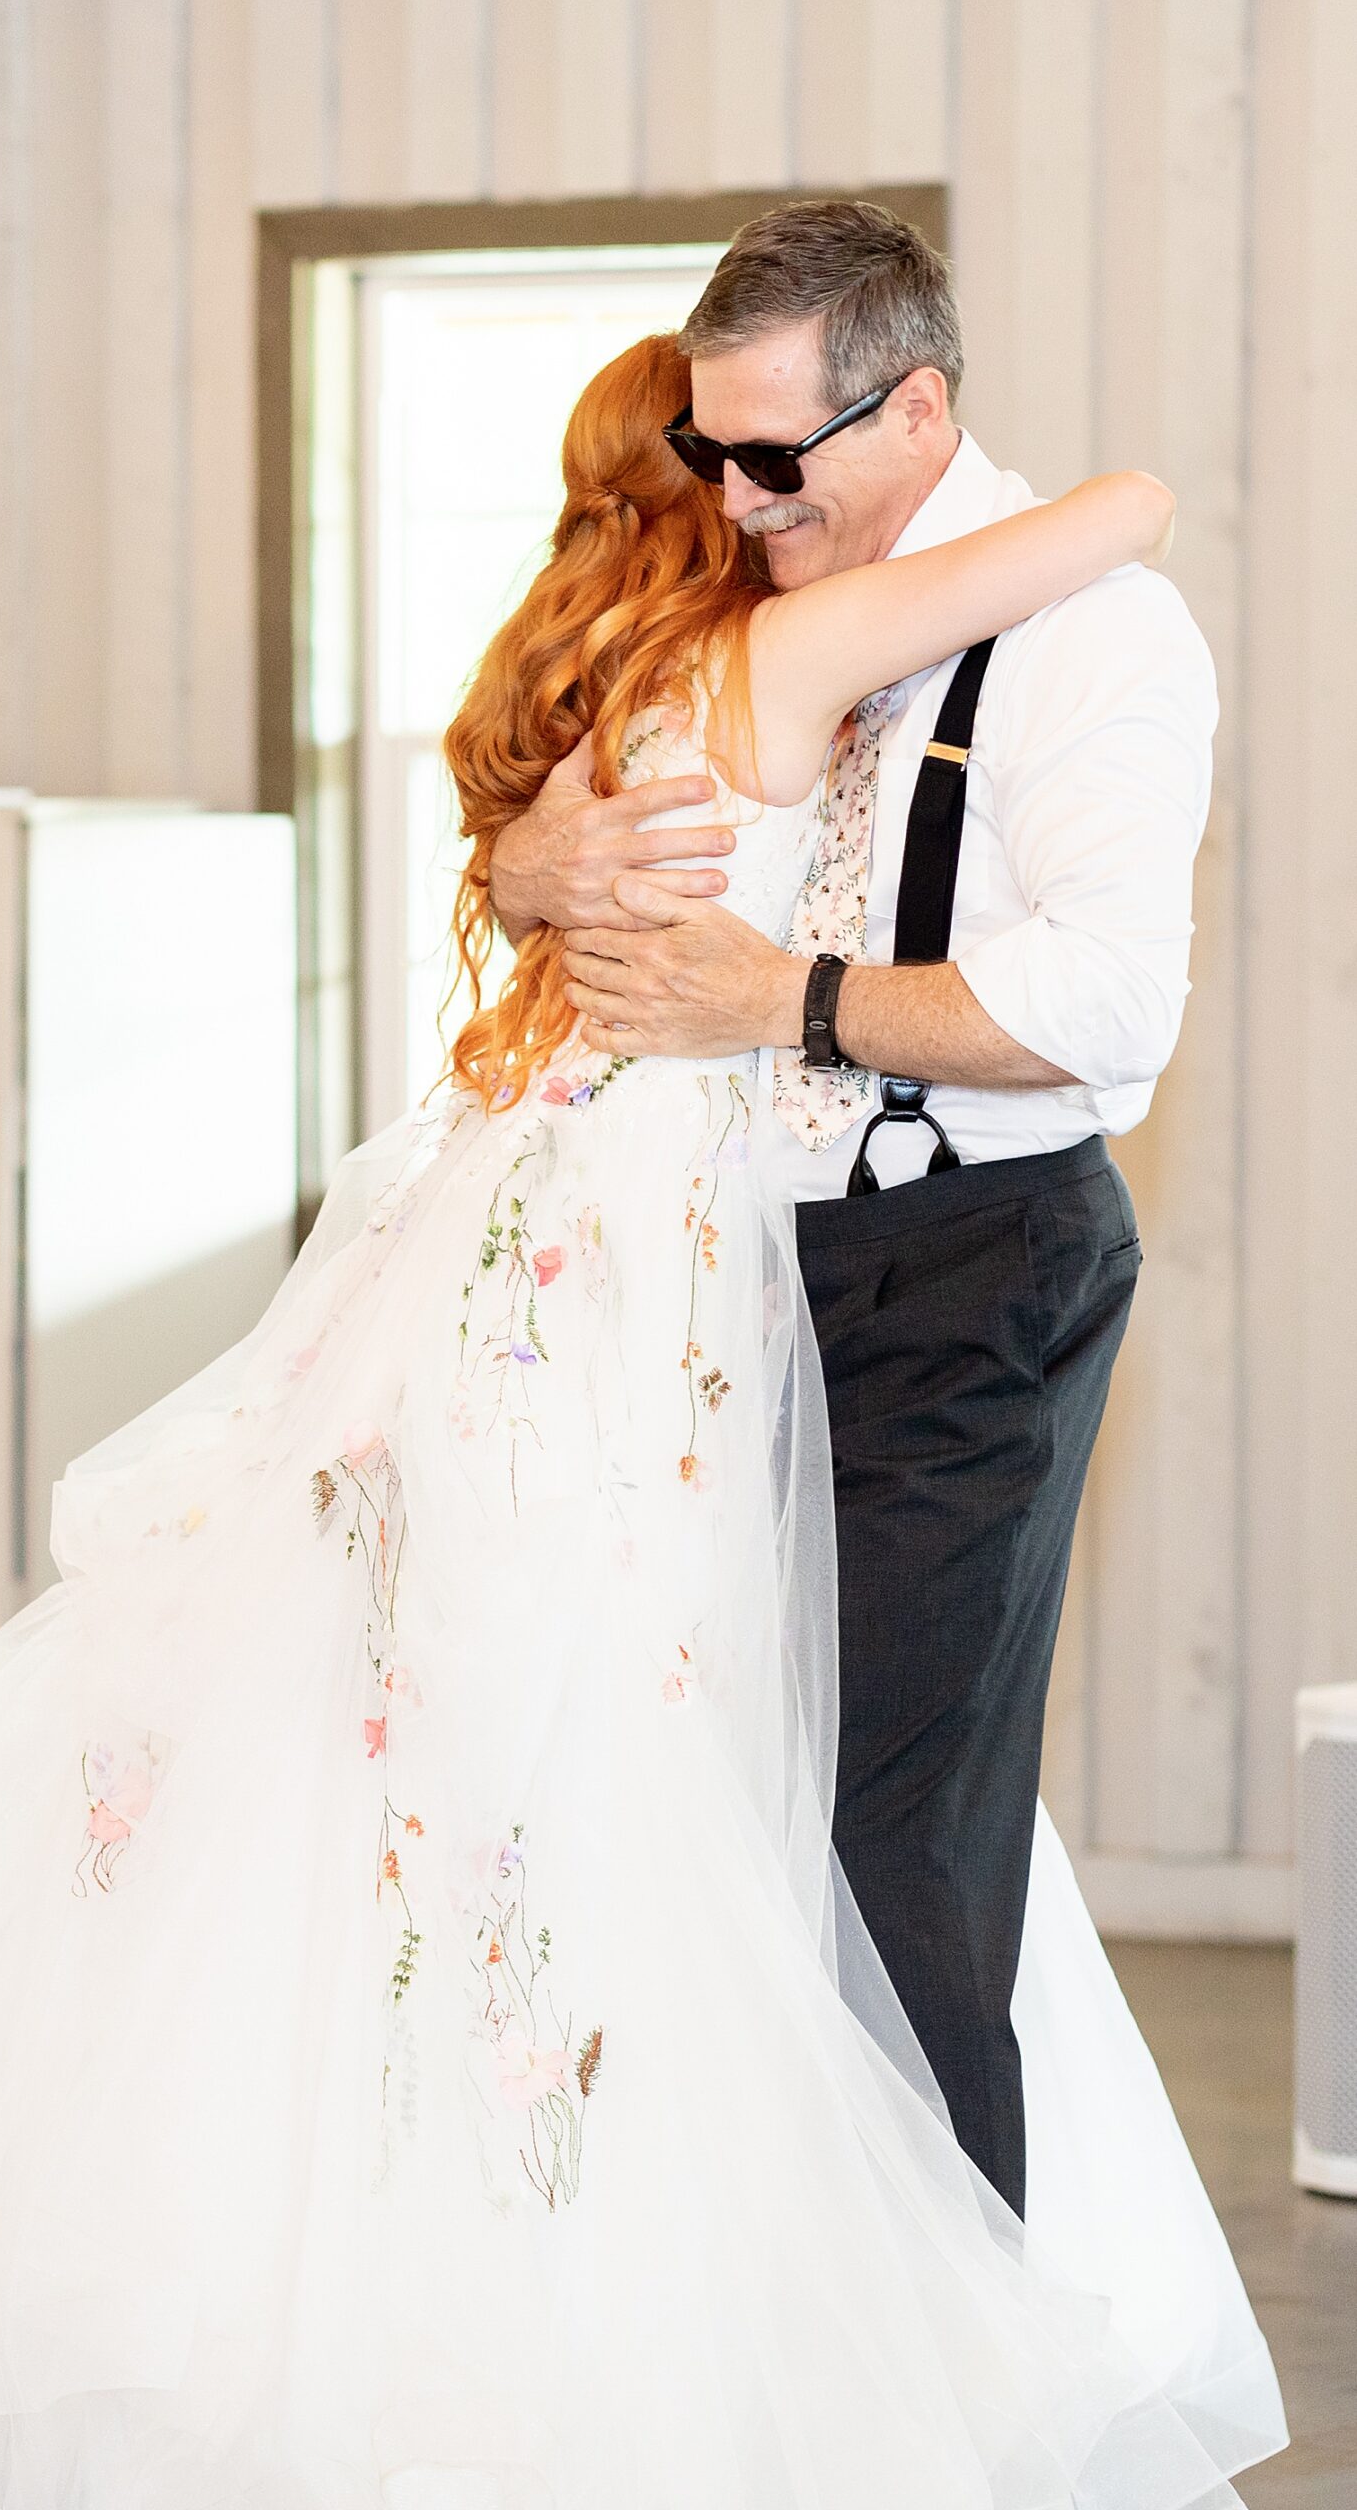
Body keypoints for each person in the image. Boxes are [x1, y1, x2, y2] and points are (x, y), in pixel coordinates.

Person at [0, 337, 1282, 2509]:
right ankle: (804, 2326)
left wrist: (543, 852)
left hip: (532, 1225)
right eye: (730, 462)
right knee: (698, 1758)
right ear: (697, 489)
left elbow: (576, 864)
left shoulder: (592, 690)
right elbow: (1127, 506)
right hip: (666, 1264)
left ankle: (526, 2238)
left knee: (575, 1739)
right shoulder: (777, 650)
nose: (761, 488)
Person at [491, 200, 1213, 2220]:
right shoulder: (737, 603)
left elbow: (1103, 1004)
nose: (728, 494)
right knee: (705, 1803)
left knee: (889, 1822)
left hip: (963, 1263)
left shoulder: (1092, 628)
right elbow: (553, 842)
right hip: (723, 1281)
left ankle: (946, 2359)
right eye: (701, 454)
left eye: (769, 456)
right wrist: (545, 869)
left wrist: (781, 998)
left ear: (914, 410)